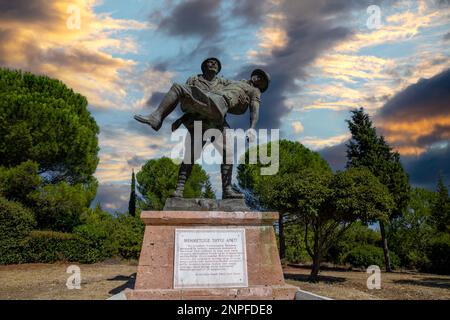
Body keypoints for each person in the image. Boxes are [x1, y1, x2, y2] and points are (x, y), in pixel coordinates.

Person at [134, 59, 270, 199]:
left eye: (262, 79)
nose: (258, 77)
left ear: (262, 86)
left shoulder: (255, 91)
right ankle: (179, 188)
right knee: (191, 154)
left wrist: (252, 128)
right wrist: (182, 119)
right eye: (257, 74)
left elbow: (255, 109)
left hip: (217, 115)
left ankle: (227, 189)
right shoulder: (231, 82)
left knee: (228, 151)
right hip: (203, 116)